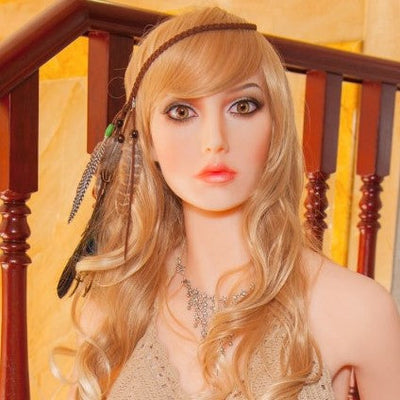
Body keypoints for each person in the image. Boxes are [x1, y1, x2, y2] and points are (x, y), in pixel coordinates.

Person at [60, 6, 400, 400]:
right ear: (146, 138)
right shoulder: (117, 306)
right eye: (181, 111)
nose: (215, 141)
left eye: (242, 107)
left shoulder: (356, 309)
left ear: (275, 125)